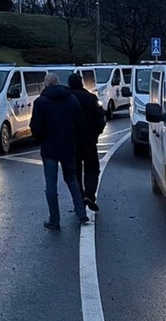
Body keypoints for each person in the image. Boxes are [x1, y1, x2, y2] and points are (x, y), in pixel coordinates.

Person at [30, 72, 89, 229]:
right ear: (59, 83)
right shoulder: (71, 99)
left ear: (45, 84)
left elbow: (35, 127)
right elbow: (81, 123)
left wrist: (41, 139)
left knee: (51, 184)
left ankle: (54, 219)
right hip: (68, 146)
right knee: (72, 179)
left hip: (49, 148)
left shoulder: (41, 102)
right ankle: (82, 213)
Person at [68, 73, 106, 212]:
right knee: (92, 168)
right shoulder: (90, 98)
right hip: (89, 141)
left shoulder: (66, 98)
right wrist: (96, 133)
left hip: (71, 142)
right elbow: (101, 118)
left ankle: (79, 200)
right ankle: (89, 194)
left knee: (75, 172)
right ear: (82, 83)